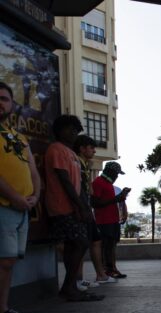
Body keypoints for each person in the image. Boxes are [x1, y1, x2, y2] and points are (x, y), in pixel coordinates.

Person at [45, 115, 103, 301]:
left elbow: (78, 184)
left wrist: (82, 206)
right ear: (59, 129)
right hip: (61, 206)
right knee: (80, 243)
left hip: (74, 207)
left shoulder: (71, 153)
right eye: (69, 128)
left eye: (76, 130)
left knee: (74, 245)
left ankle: (71, 287)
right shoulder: (56, 149)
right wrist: (81, 206)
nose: (73, 132)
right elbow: (65, 181)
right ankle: (69, 287)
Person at [0, 82, 40, 313]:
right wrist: (15, 197)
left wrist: (35, 195)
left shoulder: (18, 136)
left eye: (4, 98)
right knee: (2, 260)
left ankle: (3, 309)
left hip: (22, 208)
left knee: (8, 261)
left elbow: (32, 170)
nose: (0, 103)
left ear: (12, 104)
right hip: (5, 205)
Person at [74, 135, 114, 288]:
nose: (94, 151)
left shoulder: (84, 164)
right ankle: (78, 280)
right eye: (91, 148)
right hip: (81, 208)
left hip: (85, 207)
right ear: (82, 149)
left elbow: (88, 189)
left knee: (93, 241)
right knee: (80, 244)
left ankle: (99, 275)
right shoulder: (77, 163)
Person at [92, 161, 129, 279]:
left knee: (111, 246)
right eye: (116, 173)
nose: (117, 176)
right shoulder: (98, 182)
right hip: (104, 221)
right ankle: (106, 271)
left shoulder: (108, 184)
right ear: (110, 171)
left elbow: (111, 201)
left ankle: (112, 269)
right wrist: (115, 199)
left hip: (113, 220)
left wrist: (120, 197)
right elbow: (95, 203)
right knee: (106, 246)